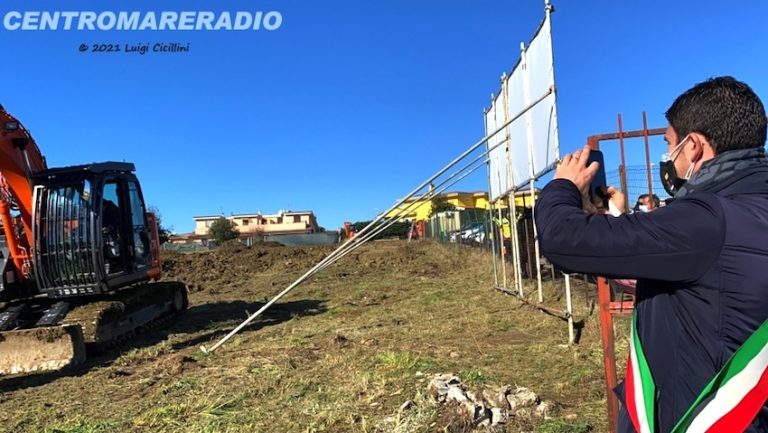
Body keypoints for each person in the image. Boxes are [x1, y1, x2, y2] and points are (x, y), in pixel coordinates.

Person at [535, 76, 768, 433]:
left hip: (698, 416)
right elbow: (694, 284)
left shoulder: (707, 220)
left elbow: (561, 237)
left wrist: (561, 186)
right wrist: (615, 219)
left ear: (693, 147)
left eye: (669, 145)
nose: (668, 160)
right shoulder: (749, 209)